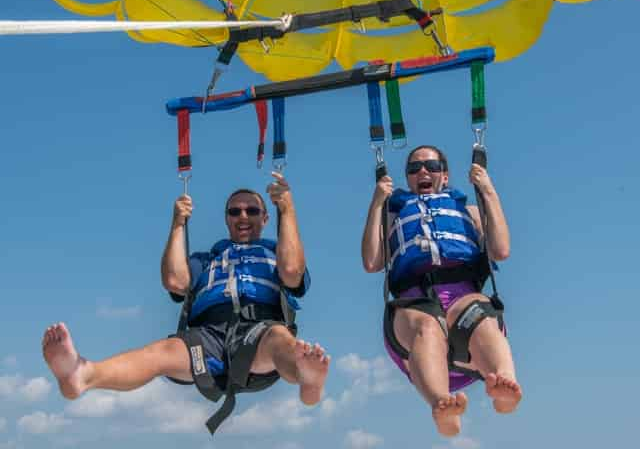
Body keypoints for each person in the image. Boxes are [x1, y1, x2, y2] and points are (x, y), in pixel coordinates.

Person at [42, 172, 330, 433]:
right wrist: (178, 223)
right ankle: (83, 374)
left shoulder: (277, 253)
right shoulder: (206, 259)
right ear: (227, 218)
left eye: (252, 210)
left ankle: (308, 380)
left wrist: (287, 208)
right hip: (208, 335)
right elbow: (174, 281)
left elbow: (292, 272)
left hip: (260, 330)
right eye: (235, 211)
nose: (243, 215)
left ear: (265, 218)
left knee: (280, 338)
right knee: (162, 351)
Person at [361, 145, 522, 437]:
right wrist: (377, 203)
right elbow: (372, 262)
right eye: (414, 168)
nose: (423, 172)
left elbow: (501, 250)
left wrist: (487, 190)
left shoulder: (468, 210)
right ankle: (442, 403)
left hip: (463, 299)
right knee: (427, 324)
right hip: (415, 305)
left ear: (445, 176)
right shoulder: (393, 214)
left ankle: (504, 382)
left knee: (480, 314)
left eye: (432, 166)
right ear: (408, 178)